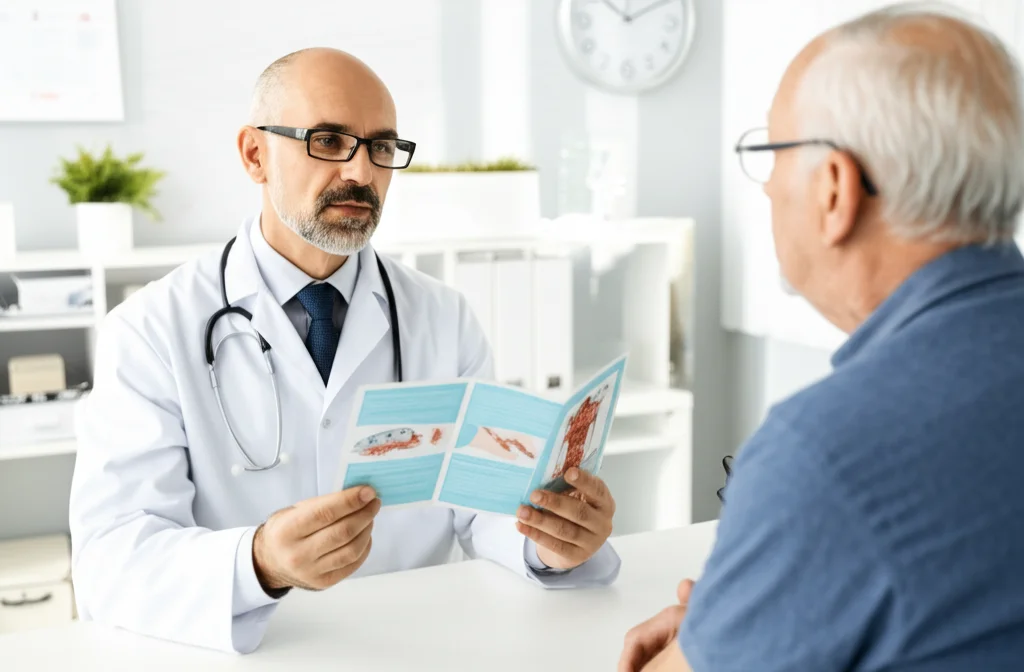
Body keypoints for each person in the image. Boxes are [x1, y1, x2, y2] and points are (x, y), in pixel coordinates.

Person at [69, 48, 620, 654]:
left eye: (381, 147)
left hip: (417, 647)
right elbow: (111, 554)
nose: (361, 171)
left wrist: (548, 539)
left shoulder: (441, 316)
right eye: (329, 140)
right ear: (255, 154)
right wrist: (258, 562)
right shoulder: (150, 329)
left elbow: (480, 505)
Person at [621, 7, 1024, 671]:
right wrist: (755, 618)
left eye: (772, 154)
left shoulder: (825, 454)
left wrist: (705, 641)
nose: (769, 188)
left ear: (835, 189)